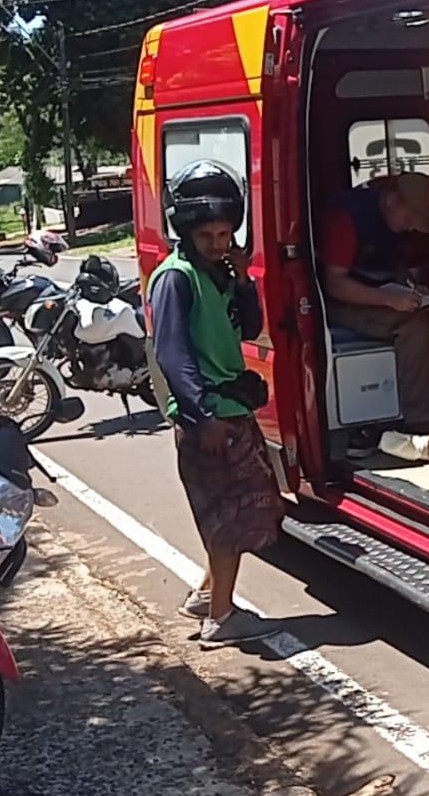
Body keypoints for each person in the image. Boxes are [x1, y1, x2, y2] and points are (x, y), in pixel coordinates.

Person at [148, 159, 283, 648]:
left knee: (246, 509)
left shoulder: (220, 274)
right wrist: (200, 416)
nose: (219, 243)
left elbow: (248, 327)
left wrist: (244, 278)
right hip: (209, 418)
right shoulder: (175, 279)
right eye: (207, 235)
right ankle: (222, 619)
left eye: (225, 234)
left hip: (229, 411)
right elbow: (171, 354)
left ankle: (207, 595)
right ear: (186, 232)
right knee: (228, 517)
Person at [319, 171, 429, 461]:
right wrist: (390, 299)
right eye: (409, 218)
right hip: (343, 302)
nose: (411, 227)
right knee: (414, 326)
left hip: (380, 290)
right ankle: (422, 421)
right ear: (390, 200)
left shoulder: (391, 221)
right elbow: (334, 283)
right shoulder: (346, 220)